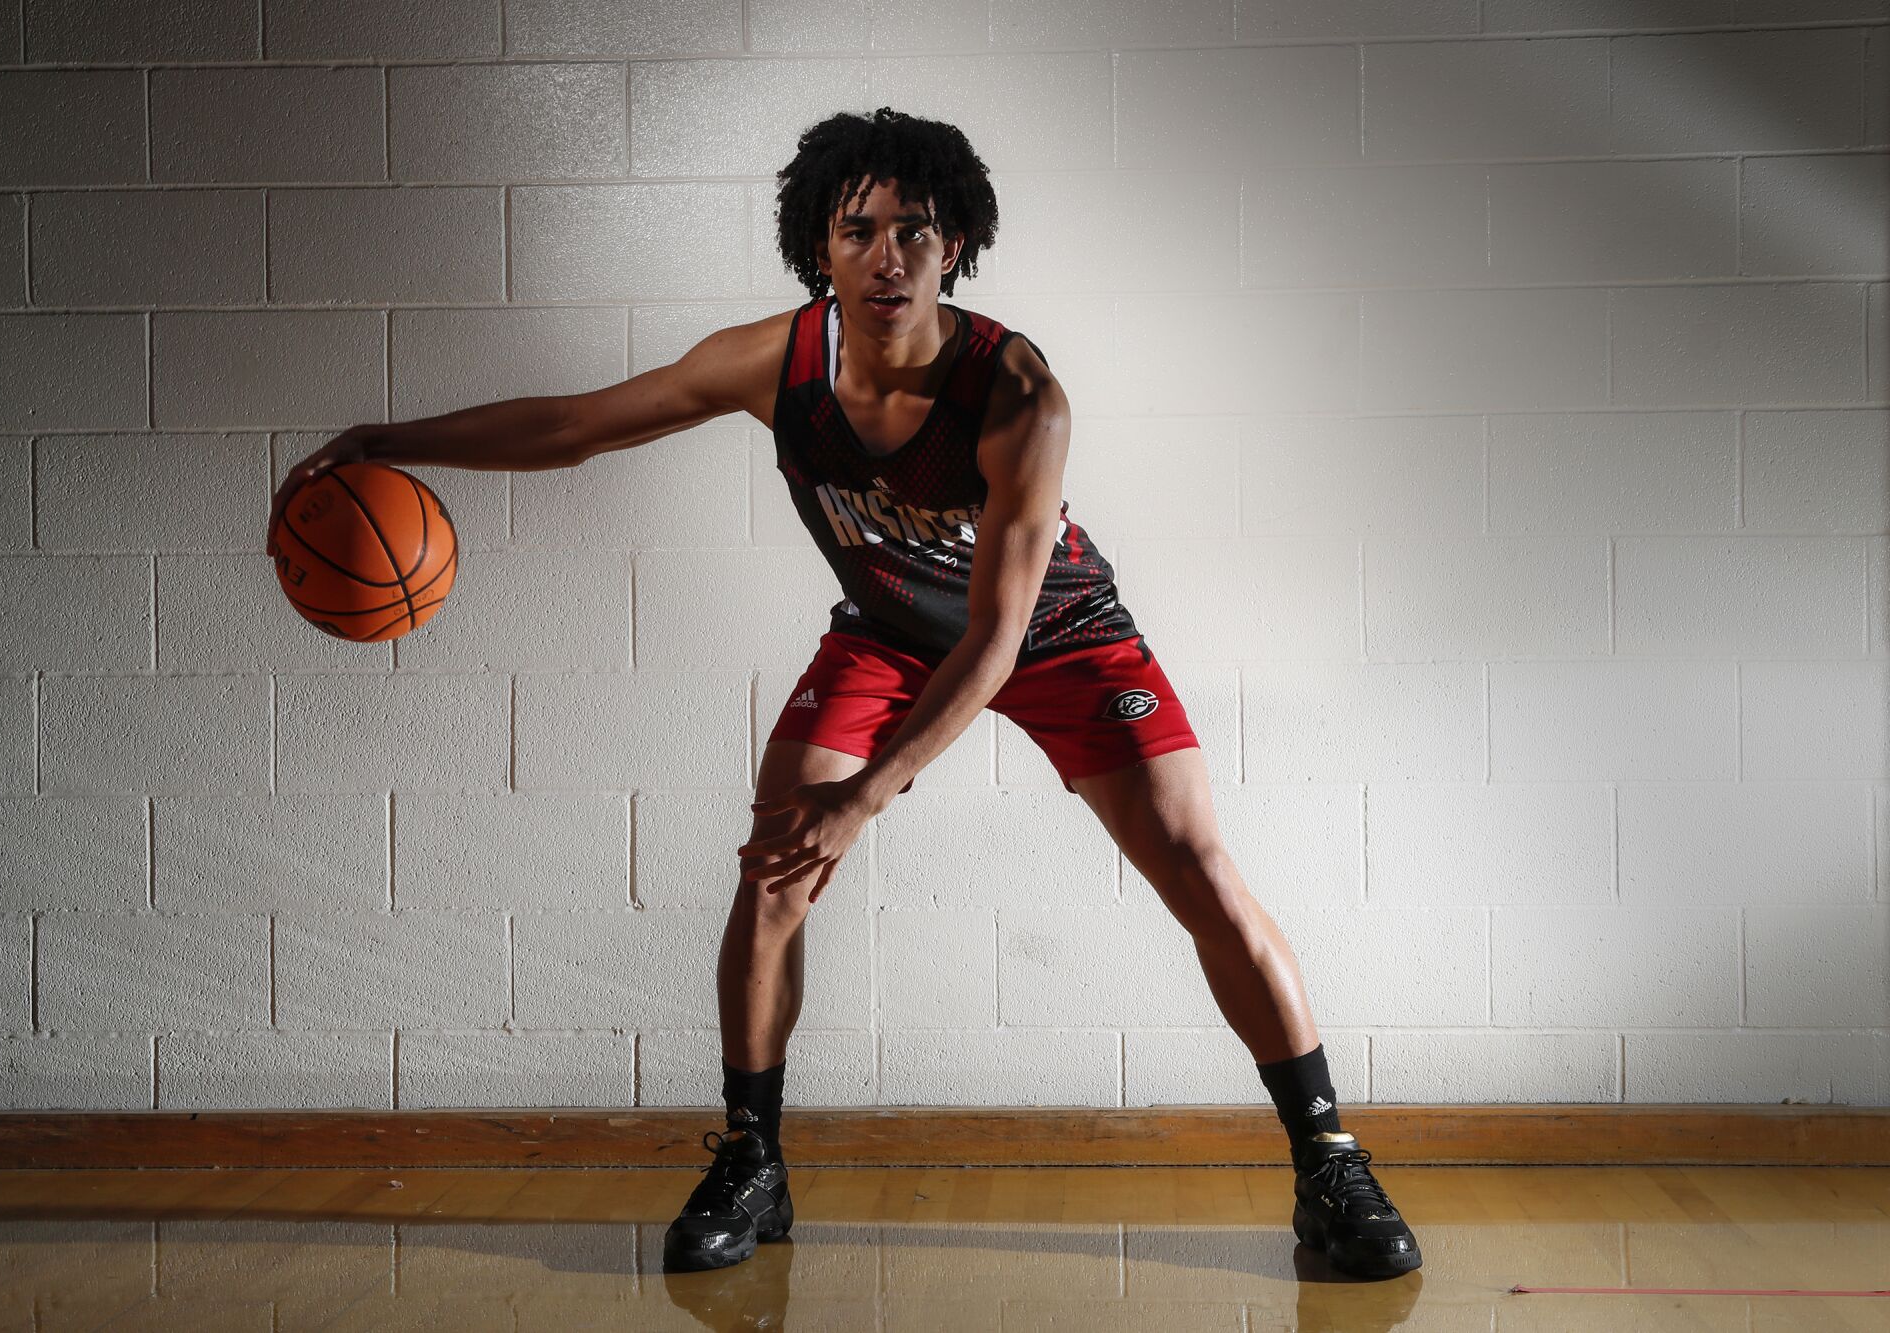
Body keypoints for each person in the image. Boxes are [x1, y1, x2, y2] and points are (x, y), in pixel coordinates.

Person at [267, 106, 1421, 1283]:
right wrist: (387, 437)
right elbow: (575, 425)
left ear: (955, 244)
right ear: (816, 245)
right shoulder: (774, 364)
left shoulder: (1017, 395)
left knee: (1196, 864)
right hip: (884, 636)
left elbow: (992, 640)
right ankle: (751, 1157)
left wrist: (865, 794)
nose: (885, 255)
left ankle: (1327, 1156)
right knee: (775, 860)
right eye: (856, 228)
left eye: (912, 231)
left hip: (1051, 632)